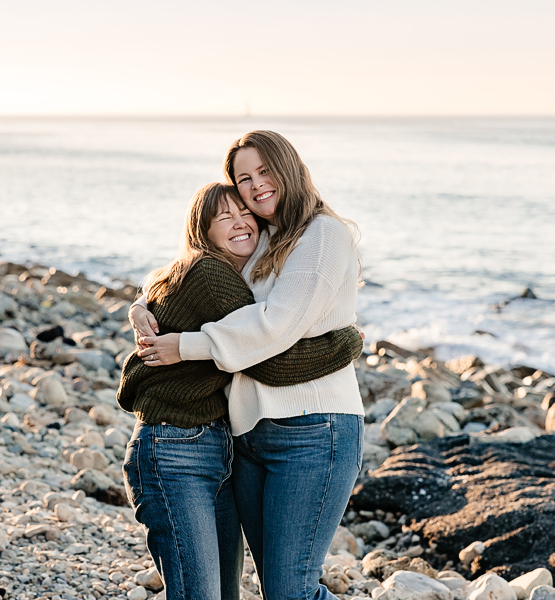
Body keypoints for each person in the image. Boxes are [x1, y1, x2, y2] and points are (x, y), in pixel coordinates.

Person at [132, 131, 364, 600]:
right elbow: (196, 271)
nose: (256, 186)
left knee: (291, 590)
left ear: (290, 167)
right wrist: (141, 304)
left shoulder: (322, 234)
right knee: (272, 587)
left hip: (313, 430)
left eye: (264, 171)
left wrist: (187, 346)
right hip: (248, 436)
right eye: (243, 178)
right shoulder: (259, 236)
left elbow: (273, 328)